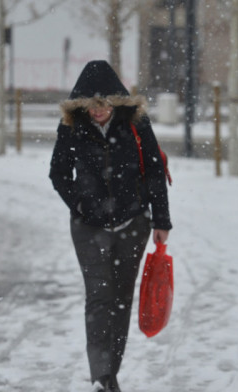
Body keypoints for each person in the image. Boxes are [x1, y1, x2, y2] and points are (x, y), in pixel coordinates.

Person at [49, 60, 172, 392]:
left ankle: (110, 372)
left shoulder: (136, 124)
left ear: (116, 102)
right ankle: (101, 377)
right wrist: (79, 203)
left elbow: (155, 171)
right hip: (89, 227)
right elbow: (58, 174)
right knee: (99, 298)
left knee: (122, 298)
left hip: (133, 223)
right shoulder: (72, 127)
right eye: (90, 105)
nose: (97, 111)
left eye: (103, 104)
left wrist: (161, 219)